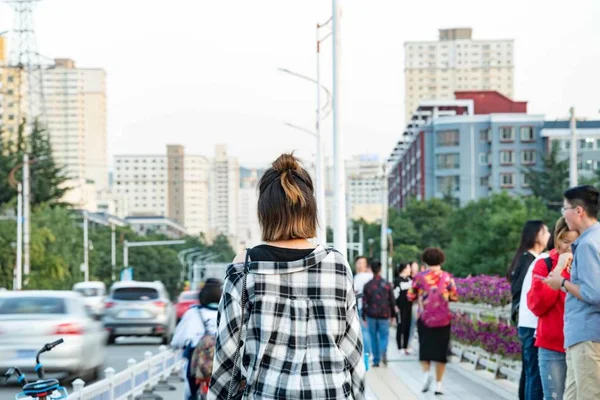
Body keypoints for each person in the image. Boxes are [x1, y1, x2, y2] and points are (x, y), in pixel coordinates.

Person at [209, 153, 365, 400]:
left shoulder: (245, 268)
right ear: (310, 211)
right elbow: (352, 349)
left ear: (265, 213)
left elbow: (227, 355)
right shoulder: (336, 264)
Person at [543, 185, 600, 400]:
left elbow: (594, 293)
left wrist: (562, 283)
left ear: (579, 210)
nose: (563, 215)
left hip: (587, 333)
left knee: (587, 395)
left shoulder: (587, 244)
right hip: (584, 334)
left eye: (564, 209)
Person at [528, 218, 578, 400]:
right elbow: (537, 305)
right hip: (552, 345)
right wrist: (558, 269)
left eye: (575, 242)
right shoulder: (544, 264)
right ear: (557, 239)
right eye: (565, 242)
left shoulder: (590, 264)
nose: (570, 248)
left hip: (583, 343)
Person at [507, 220, 550, 400]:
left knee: (528, 372)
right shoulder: (530, 260)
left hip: (524, 321)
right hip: (529, 321)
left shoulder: (526, 258)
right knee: (533, 374)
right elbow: (518, 289)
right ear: (536, 235)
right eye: (545, 231)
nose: (548, 235)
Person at [408, 247, 457, 396]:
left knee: (425, 349)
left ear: (425, 260)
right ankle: (439, 386)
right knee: (441, 352)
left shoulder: (419, 277)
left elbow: (410, 296)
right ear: (441, 260)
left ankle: (426, 375)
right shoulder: (447, 277)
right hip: (443, 320)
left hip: (424, 318)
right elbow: (454, 296)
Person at [171, 279, 223, 400]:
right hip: (224, 360)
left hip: (197, 364)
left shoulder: (193, 313)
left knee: (190, 392)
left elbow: (177, 340)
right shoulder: (228, 311)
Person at [362, 260, 395, 367]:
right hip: (384, 315)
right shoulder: (387, 284)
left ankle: (376, 360)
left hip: (371, 315)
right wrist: (393, 315)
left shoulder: (367, 285)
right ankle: (383, 351)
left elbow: (364, 301)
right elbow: (392, 301)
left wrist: (363, 316)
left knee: (373, 337)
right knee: (384, 336)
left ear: (371, 269)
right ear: (380, 269)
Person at [354, 255, 373, 357]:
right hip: (373, 308)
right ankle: (375, 353)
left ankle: (367, 353)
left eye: (362, 263)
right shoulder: (371, 276)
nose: (361, 265)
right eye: (359, 263)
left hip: (362, 307)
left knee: (364, 331)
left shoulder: (357, 278)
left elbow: (354, 292)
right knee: (372, 331)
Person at [393, 263, 413, 354]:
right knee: (401, 326)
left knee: (407, 326)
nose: (410, 269)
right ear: (404, 269)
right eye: (408, 267)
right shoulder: (397, 281)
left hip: (409, 307)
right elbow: (394, 295)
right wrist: (395, 306)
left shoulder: (410, 280)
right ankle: (399, 347)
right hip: (400, 307)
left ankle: (405, 346)